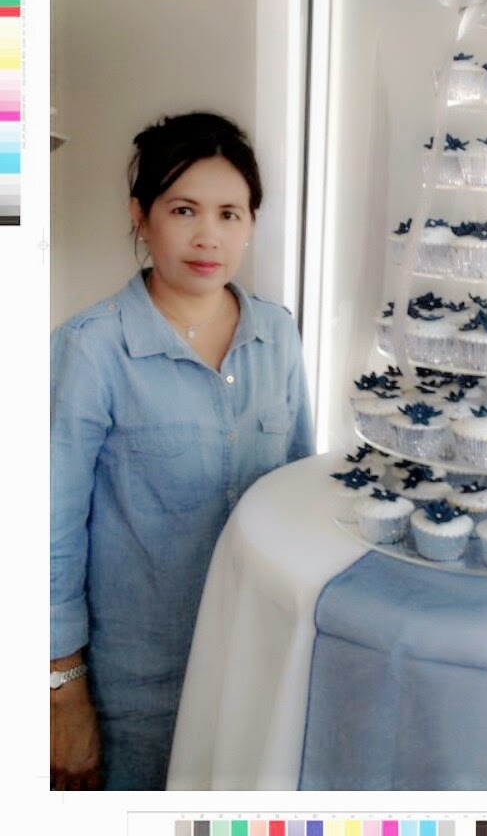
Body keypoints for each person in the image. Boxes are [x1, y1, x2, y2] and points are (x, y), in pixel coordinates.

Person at [50, 112, 315, 791]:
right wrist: (61, 691)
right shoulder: (91, 350)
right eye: (183, 209)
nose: (208, 236)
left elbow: (298, 497)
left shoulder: (278, 335)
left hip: (258, 665)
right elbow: (47, 535)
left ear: (251, 223)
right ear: (141, 217)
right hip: (138, 689)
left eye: (230, 214)